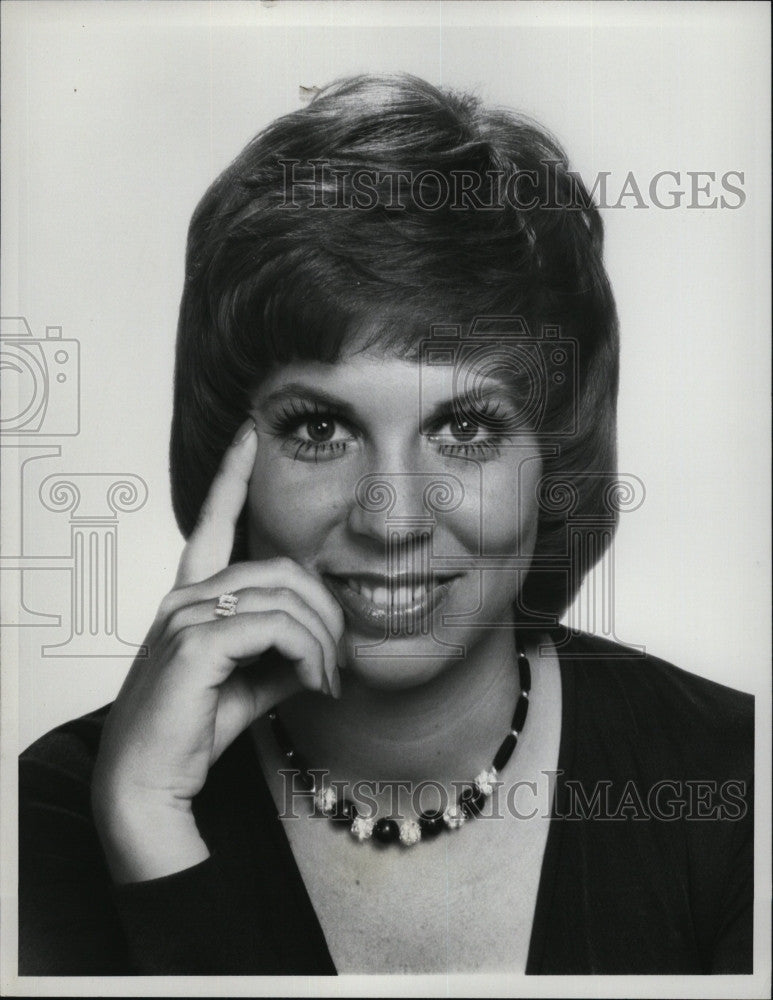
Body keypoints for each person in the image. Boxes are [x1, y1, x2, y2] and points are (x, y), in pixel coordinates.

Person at [19, 74, 753, 976]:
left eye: (466, 429)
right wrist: (147, 817)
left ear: (554, 461)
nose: (393, 517)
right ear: (227, 458)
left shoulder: (732, 787)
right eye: (320, 430)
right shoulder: (54, 815)